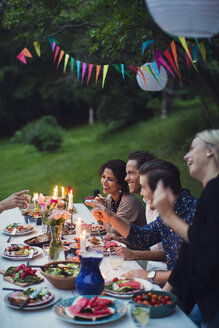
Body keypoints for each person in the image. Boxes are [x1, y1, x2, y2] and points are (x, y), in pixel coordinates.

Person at [92, 159, 198, 286]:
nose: (141, 193)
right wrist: (110, 217)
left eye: (143, 188)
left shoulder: (194, 214)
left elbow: (191, 270)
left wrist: (149, 275)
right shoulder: (171, 209)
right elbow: (143, 237)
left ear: (161, 189)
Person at [153, 130, 219, 327]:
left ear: (210, 151)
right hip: (204, 298)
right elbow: (190, 249)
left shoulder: (216, 190)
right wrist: (165, 291)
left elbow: (209, 242)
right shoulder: (210, 190)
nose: (185, 156)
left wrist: (168, 215)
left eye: (192, 149)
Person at [93, 159, 146, 238]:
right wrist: (99, 208)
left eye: (110, 179)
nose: (104, 182)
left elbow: (111, 232)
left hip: (140, 248)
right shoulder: (111, 197)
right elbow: (101, 224)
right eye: (103, 177)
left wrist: (103, 209)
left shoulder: (129, 202)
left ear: (121, 183)